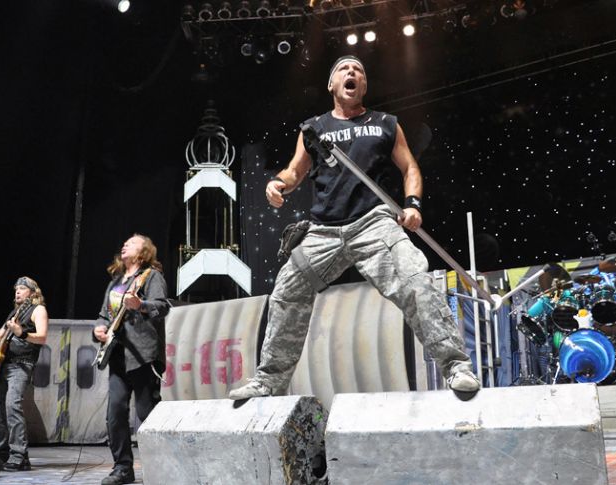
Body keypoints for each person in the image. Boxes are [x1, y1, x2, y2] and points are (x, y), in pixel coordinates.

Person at [229, 55, 480, 400]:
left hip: (373, 223)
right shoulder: (313, 128)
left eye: (359, 70)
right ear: (331, 85)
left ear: (364, 85)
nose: (352, 73)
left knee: (414, 279)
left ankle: (457, 366)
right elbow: (295, 171)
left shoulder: (385, 123)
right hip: (323, 231)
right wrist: (278, 184)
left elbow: (410, 168)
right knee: (287, 291)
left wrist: (413, 204)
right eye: (344, 70)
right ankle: (269, 380)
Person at [93, 234, 169, 485]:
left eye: (132, 242)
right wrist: (99, 329)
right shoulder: (116, 281)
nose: (125, 243)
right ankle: (123, 468)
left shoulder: (151, 276)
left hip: (143, 354)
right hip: (117, 355)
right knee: (115, 412)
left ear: (144, 251)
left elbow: (162, 306)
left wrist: (140, 304)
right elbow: (105, 314)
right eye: (124, 241)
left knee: (147, 413)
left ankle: (162, 467)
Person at [0, 276, 48, 471]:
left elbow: (42, 337)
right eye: (16, 289)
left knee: (12, 406)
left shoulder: (38, 310)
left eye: (22, 288)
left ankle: (19, 455)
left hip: (21, 365)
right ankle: (2, 451)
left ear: (33, 292)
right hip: (4, 364)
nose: (17, 291)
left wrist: (22, 333)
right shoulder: (15, 312)